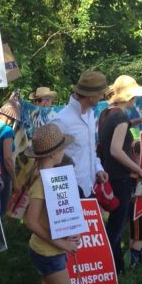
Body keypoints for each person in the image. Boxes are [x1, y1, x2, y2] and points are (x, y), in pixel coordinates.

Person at [23, 124, 92, 284]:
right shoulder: (42, 182)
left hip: (48, 250)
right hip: (48, 252)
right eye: (62, 148)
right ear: (54, 153)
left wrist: (69, 229)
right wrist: (60, 242)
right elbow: (30, 221)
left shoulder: (52, 177)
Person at [97, 75, 142, 275]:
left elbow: (112, 134)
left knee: (114, 224)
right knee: (116, 227)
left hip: (108, 176)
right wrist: (138, 170)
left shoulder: (106, 113)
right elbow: (116, 150)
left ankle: (116, 266)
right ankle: (109, 268)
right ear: (129, 97)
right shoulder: (121, 117)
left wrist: (136, 122)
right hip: (120, 178)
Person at [51, 70, 109, 198]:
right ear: (91, 96)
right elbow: (49, 159)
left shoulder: (90, 115)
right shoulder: (61, 121)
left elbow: (89, 150)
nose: (102, 97)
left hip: (89, 187)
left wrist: (98, 168)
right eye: (100, 94)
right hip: (69, 191)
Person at [0, 98, 21, 213]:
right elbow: (8, 159)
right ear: (10, 117)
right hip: (1, 174)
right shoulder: (7, 131)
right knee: (0, 211)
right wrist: (15, 182)